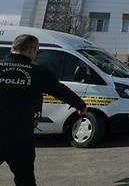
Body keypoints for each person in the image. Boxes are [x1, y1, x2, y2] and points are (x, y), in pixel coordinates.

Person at [0, 34, 87, 186]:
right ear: (32, 50)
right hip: (20, 135)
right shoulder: (38, 72)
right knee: (25, 178)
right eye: (36, 51)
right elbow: (60, 90)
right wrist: (80, 105)